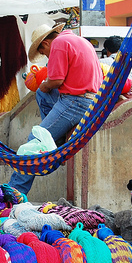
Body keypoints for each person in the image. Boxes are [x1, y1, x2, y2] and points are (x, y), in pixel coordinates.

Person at [8, 23, 103, 195]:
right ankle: (54, 140)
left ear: (44, 44)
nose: (46, 56)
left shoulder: (59, 44)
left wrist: (44, 85)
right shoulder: (78, 40)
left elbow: (56, 80)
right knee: (41, 96)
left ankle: (14, 193)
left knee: (34, 140)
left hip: (76, 102)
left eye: (43, 53)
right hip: (89, 100)